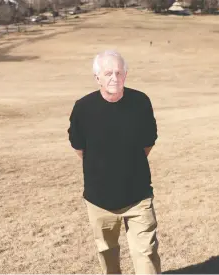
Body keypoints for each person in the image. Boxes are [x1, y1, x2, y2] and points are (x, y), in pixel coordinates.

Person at [67, 50, 161, 274]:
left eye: (119, 72)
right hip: (99, 201)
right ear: (97, 77)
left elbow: (148, 143)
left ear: (126, 75)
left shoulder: (141, 102)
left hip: (138, 197)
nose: (114, 78)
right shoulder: (83, 108)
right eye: (108, 73)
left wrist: (126, 163)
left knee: (146, 254)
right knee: (107, 254)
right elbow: (80, 149)